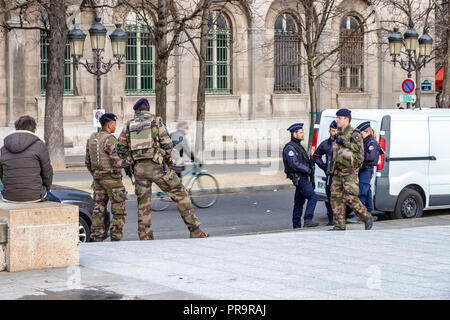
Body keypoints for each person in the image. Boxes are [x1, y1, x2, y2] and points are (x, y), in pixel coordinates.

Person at [116, 98, 209, 240]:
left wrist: (130, 161)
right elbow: (167, 144)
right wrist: (165, 158)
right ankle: (195, 230)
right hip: (158, 168)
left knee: (143, 204)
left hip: (139, 170)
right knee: (180, 193)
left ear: (137, 111)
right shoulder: (156, 121)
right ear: (147, 109)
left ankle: (145, 236)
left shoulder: (129, 124)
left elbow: (120, 148)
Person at [85, 113, 130, 242]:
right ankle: (115, 238)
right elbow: (117, 162)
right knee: (118, 210)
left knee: (98, 209)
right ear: (110, 124)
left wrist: (96, 174)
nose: (115, 127)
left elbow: (87, 162)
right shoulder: (110, 139)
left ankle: (96, 237)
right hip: (113, 180)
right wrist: (129, 161)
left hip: (98, 179)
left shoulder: (92, 138)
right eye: (114, 124)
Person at [329, 109, 374, 231]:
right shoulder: (338, 133)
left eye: (339, 118)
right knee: (335, 198)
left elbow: (360, 154)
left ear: (346, 119)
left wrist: (345, 143)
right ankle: (339, 225)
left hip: (350, 172)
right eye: (337, 117)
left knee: (351, 198)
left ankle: (366, 217)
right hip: (337, 172)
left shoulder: (355, 134)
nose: (337, 120)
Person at [0, 115, 56, 203]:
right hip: (35, 195)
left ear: (16, 129)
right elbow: (47, 173)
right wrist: (45, 189)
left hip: (8, 196)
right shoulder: (40, 145)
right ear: (34, 130)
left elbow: (2, 174)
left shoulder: (3, 148)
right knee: (57, 202)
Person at [282, 123, 319, 229]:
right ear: (294, 134)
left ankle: (296, 227)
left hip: (302, 177)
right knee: (313, 196)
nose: (303, 134)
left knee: (298, 204)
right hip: (300, 177)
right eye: (301, 132)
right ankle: (308, 219)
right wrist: (307, 170)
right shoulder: (290, 148)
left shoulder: (298, 146)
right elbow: (294, 164)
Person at [313, 120, 338, 226]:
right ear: (329, 131)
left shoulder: (345, 143)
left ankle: (340, 218)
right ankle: (331, 218)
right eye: (333, 131)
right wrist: (323, 166)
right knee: (329, 196)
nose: (335, 133)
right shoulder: (325, 144)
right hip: (330, 175)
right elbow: (316, 156)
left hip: (341, 175)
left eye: (337, 131)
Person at [356, 121, 383, 213]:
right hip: (362, 169)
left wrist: (358, 156)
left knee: (362, 191)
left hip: (367, 169)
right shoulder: (364, 142)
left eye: (361, 133)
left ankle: (361, 214)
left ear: (366, 132)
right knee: (367, 191)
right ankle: (369, 211)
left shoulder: (371, 143)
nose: (359, 135)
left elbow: (370, 157)